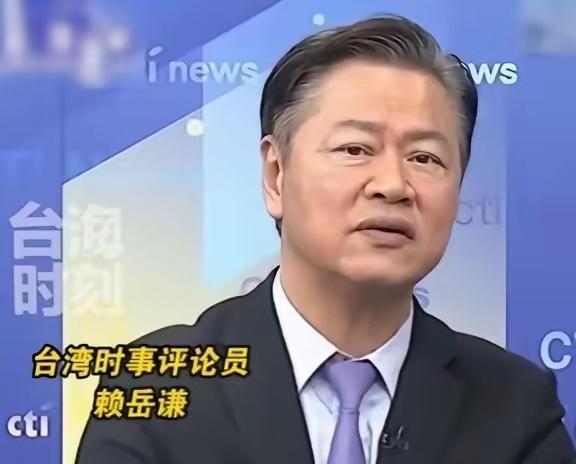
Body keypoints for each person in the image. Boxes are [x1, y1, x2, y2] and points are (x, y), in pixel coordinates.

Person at [76, 14, 576, 464]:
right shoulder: (156, 388)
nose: (393, 185)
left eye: (425, 158)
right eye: (355, 148)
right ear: (276, 175)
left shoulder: (515, 406)